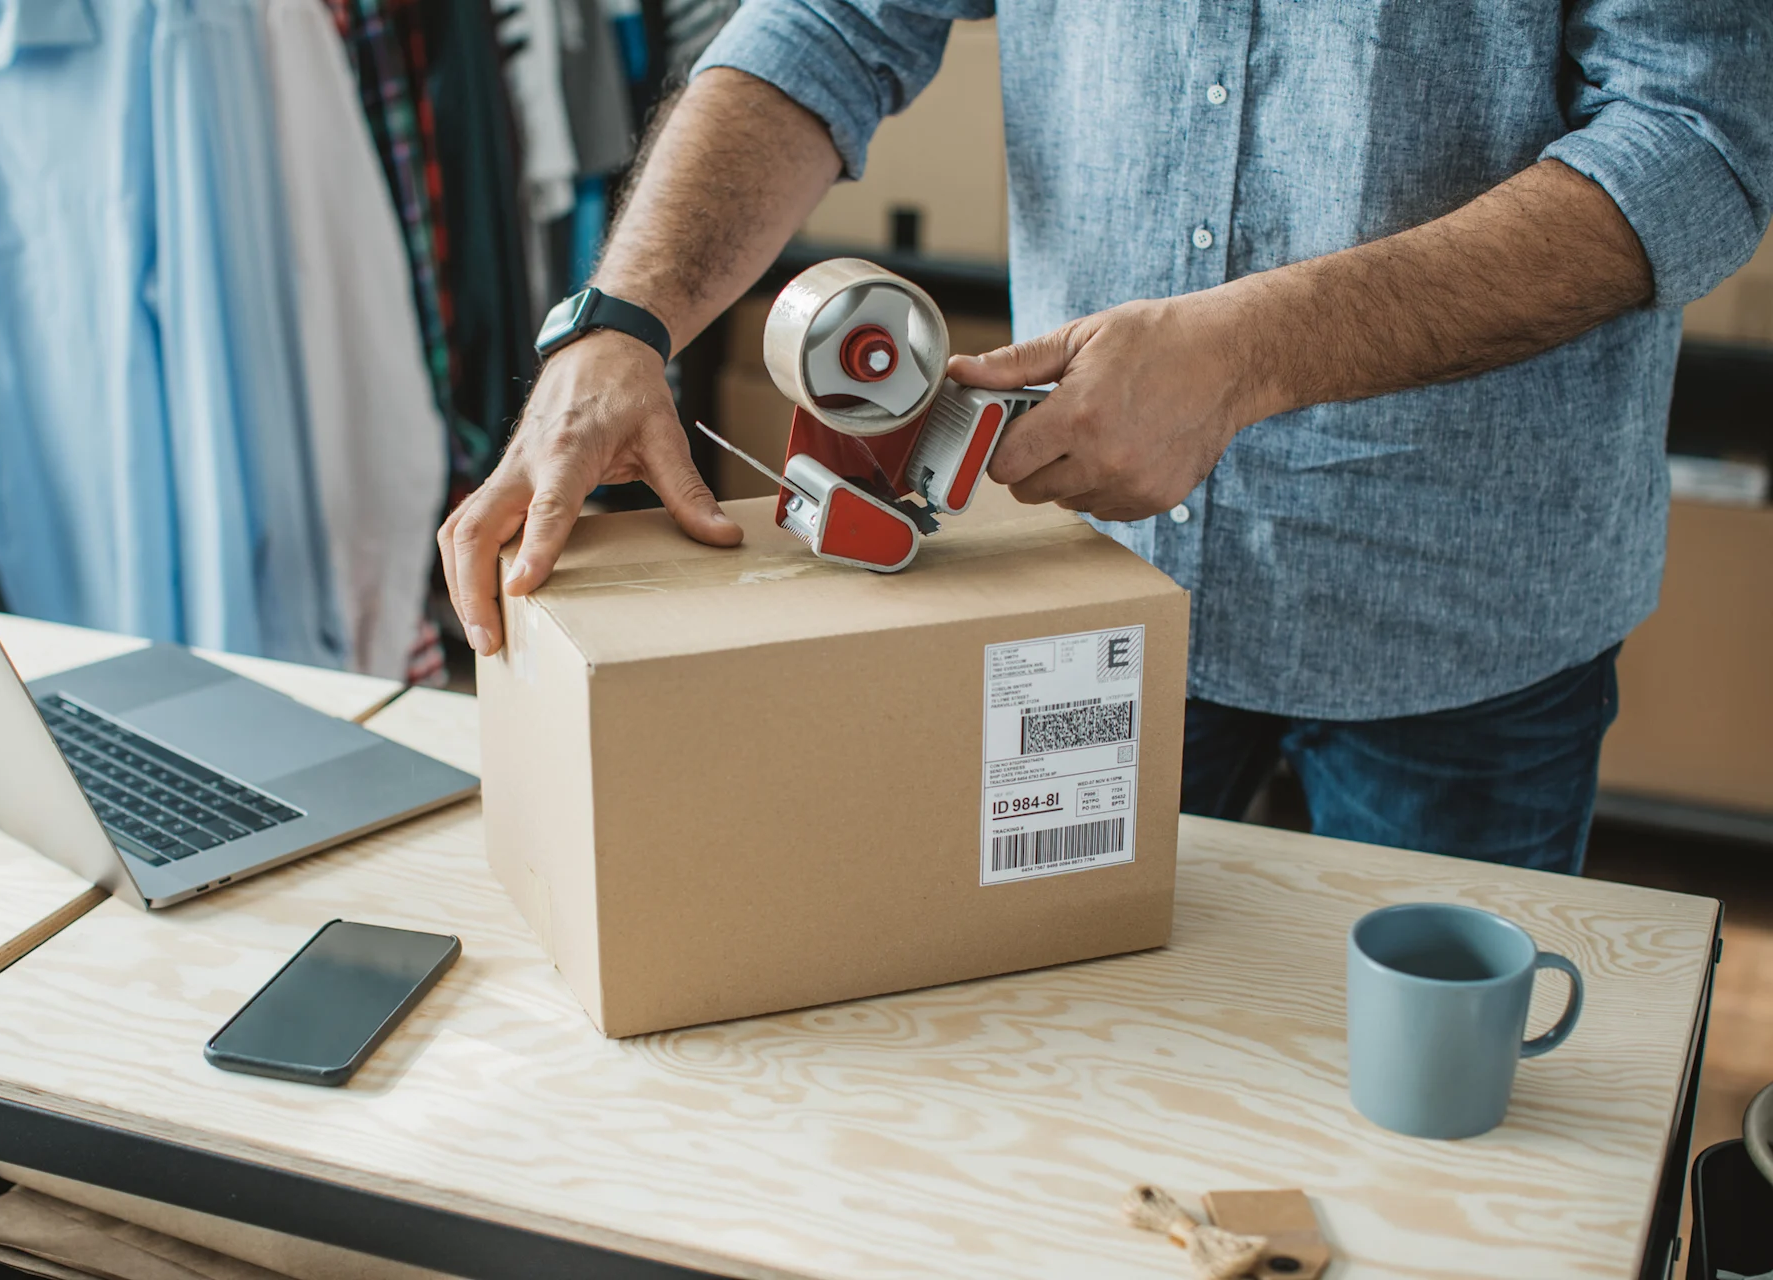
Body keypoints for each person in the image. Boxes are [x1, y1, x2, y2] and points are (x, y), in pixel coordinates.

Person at [438, 1, 1772, 874]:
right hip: (1083, 594)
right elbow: (836, 20)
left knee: (1438, 1161)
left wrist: (1251, 354)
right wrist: (619, 317)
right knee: (1073, 1093)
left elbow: (1700, 139)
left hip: (1460, 620)